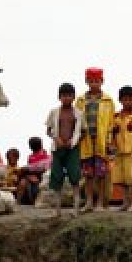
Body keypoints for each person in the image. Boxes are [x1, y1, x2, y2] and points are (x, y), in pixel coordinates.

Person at [75, 68, 115, 212]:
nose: (94, 84)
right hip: (85, 141)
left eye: (97, 81)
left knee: (101, 174)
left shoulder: (108, 100)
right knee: (88, 174)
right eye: (91, 81)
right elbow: (76, 120)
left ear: (102, 81)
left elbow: (111, 123)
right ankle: (89, 202)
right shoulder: (80, 100)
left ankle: (100, 202)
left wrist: (109, 141)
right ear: (87, 82)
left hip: (101, 141)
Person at [46, 83, 84, 217]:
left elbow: (82, 132)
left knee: (75, 176)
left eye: (69, 95)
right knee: (56, 177)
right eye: (64, 96)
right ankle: (57, 210)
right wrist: (57, 139)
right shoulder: (54, 112)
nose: (66, 98)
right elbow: (49, 130)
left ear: (73, 97)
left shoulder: (79, 113)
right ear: (59, 97)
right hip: (57, 148)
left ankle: (76, 209)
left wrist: (72, 142)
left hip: (72, 149)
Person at [111, 85, 132, 212]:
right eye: (125, 99)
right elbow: (113, 133)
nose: (127, 102)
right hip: (120, 153)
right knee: (122, 179)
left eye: (130, 99)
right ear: (120, 100)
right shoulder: (116, 116)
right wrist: (113, 145)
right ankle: (125, 202)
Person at [18, 136, 50, 205]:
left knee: (27, 181)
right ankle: (18, 201)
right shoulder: (31, 157)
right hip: (31, 176)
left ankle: (22, 200)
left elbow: (45, 168)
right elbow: (29, 168)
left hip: (41, 175)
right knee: (23, 181)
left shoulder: (45, 155)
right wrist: (29, 175)